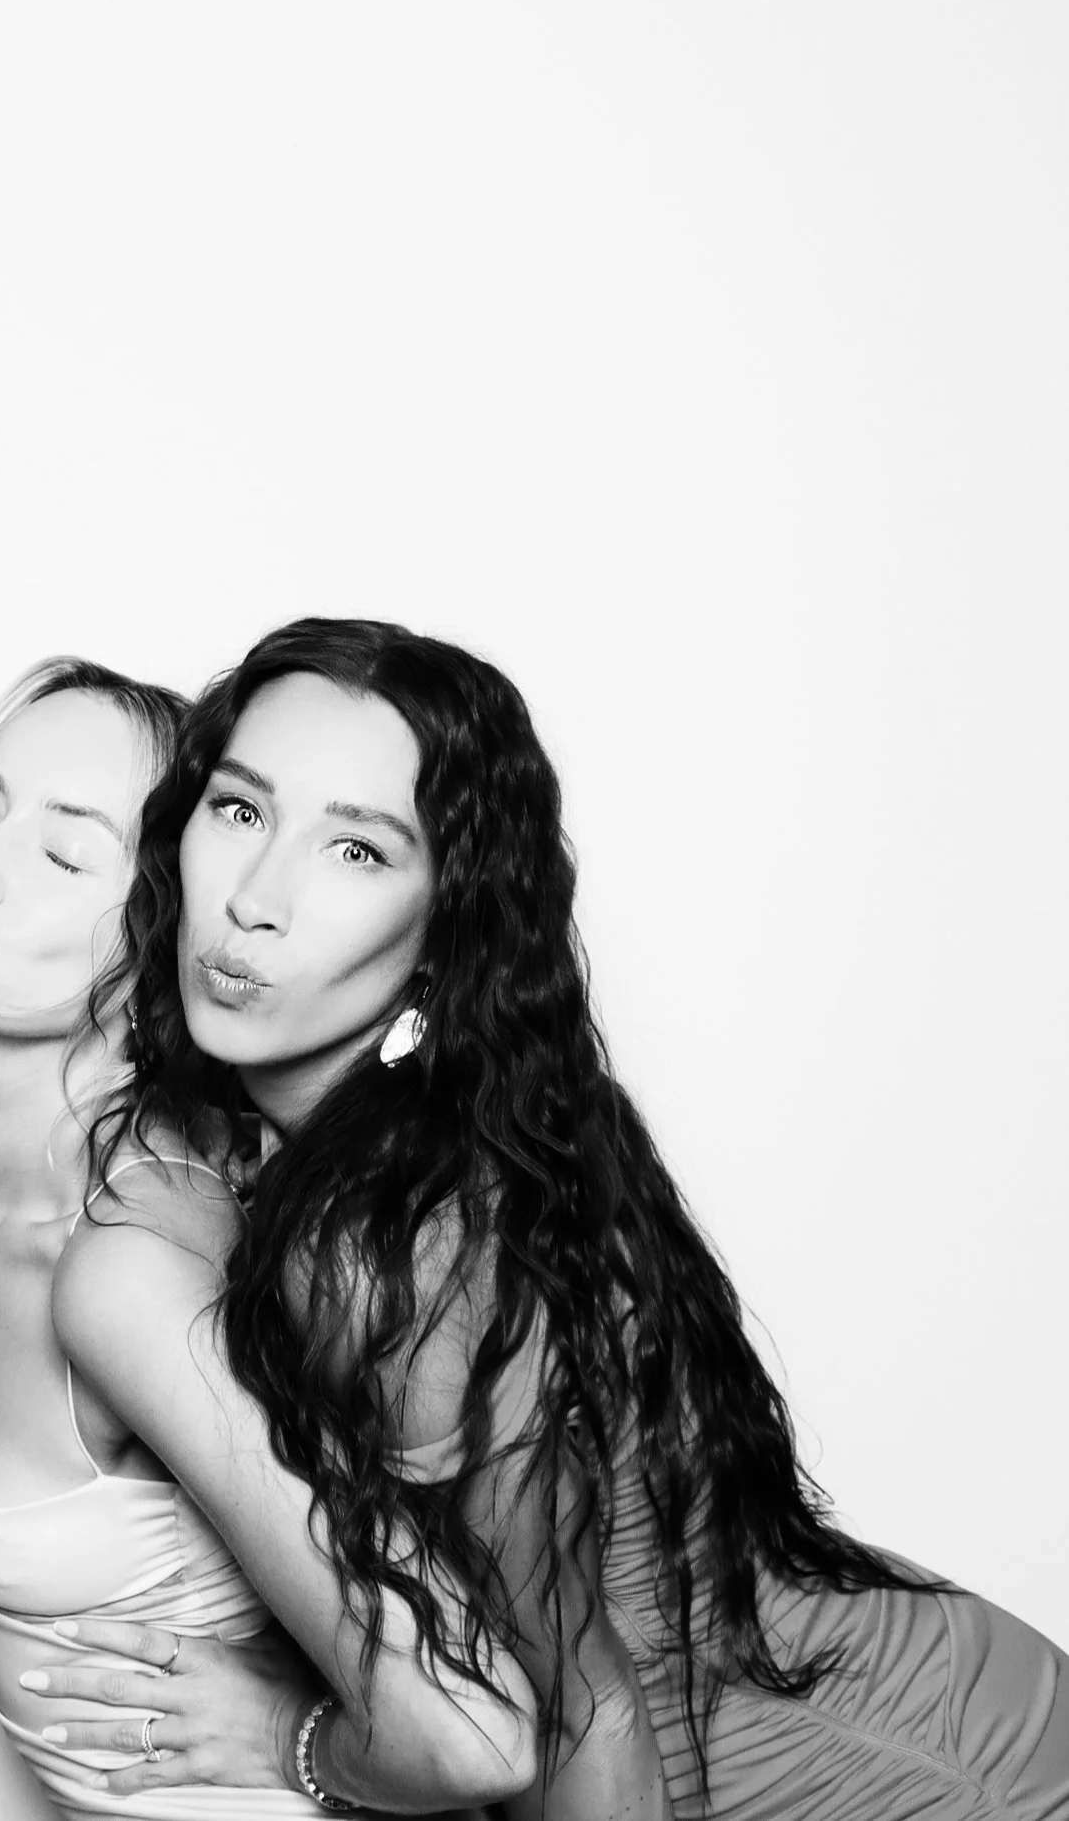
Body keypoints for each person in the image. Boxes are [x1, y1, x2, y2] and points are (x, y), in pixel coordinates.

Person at [77, 615, 1069, 1817]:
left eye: (357, 852)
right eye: (240, 811)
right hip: (915, 1692)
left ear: (444, 931)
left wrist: (302, 1740)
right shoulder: (437, 1120)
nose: (254, 901)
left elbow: (577, 1707)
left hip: (893, 1779)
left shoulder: (388, 1239)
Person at [0, 659, 544, 1819]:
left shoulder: (128, 1265)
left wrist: (303, 1743)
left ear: (155, 912)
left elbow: (475, 1735)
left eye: (60, 854)